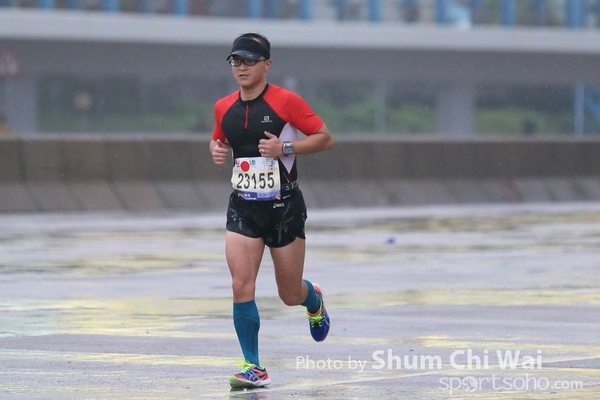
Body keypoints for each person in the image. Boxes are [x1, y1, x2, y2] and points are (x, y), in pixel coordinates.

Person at [209, 33, 334, 389]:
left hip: (284, 207)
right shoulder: (223, 107)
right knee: (240, 284)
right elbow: (219, 139)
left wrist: (285, 148)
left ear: (267, 64)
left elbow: (325, 138)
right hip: (244, 207)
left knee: (289, 293)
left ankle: (313, 298)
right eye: (236, 61)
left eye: (249, 60)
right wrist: (216, 150)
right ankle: (253, 365)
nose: (242, 67)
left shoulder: (286, 101)